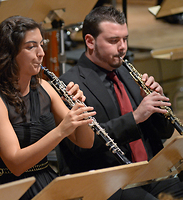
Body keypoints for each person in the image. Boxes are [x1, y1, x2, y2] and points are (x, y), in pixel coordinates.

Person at [57, 6, 183, 200]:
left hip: (151, 174)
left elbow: (164, 133)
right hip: (111, 182)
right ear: (90, 41)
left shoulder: (127, 70)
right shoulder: (70, 84)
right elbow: (83, 148)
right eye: (114, 41)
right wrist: (135, 117)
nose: (123, 47)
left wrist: (158, 106)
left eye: (125, 39)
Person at [0, 15, 96, 200]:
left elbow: (85, 142)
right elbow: (16, 164)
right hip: (11, 189)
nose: (41, 53)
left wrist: (79, 108)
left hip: (46, 181)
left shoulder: (45, 87)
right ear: (10, 53)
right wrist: (61, 130)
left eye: (41, 44)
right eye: (31, 47)